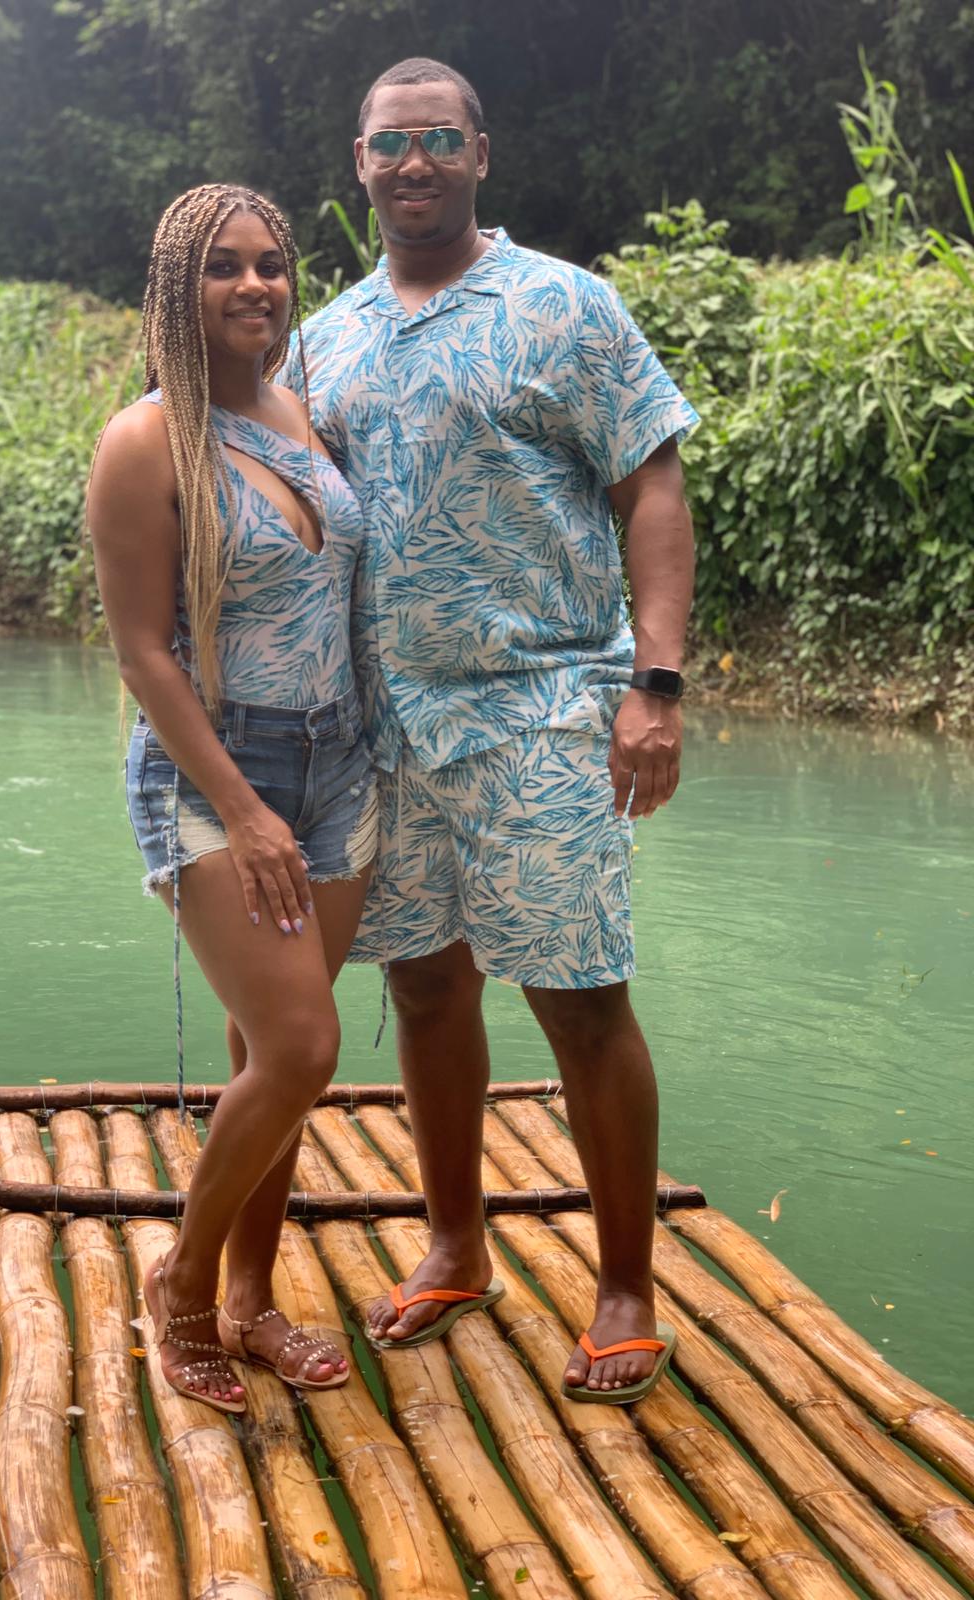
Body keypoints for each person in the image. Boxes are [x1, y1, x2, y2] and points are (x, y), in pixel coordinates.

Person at [284, 59, 698, 1403]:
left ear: (479, 155)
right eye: (390, 143)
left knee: (580, 996)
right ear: (359, 159)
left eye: (438, 141)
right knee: (421, 983)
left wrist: (657, 683)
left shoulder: (563, 307)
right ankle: (455, 1246)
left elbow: (651, 481)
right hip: (384, 721)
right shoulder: (324, 336)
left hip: (544, 706)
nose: (413, 164)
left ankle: (627, 1283)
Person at [86, 184, 377, 1412]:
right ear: (175, 289)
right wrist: (246, 811)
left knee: (276, 1051)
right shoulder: (146, 441)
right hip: (220, 773)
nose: (253, 285)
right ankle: (187, 1284)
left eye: (268, 264)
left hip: (340, 766)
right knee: (308, 1042)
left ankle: (254, 1300)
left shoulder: (306, 416)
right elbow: (146, 651)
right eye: (222, 267)